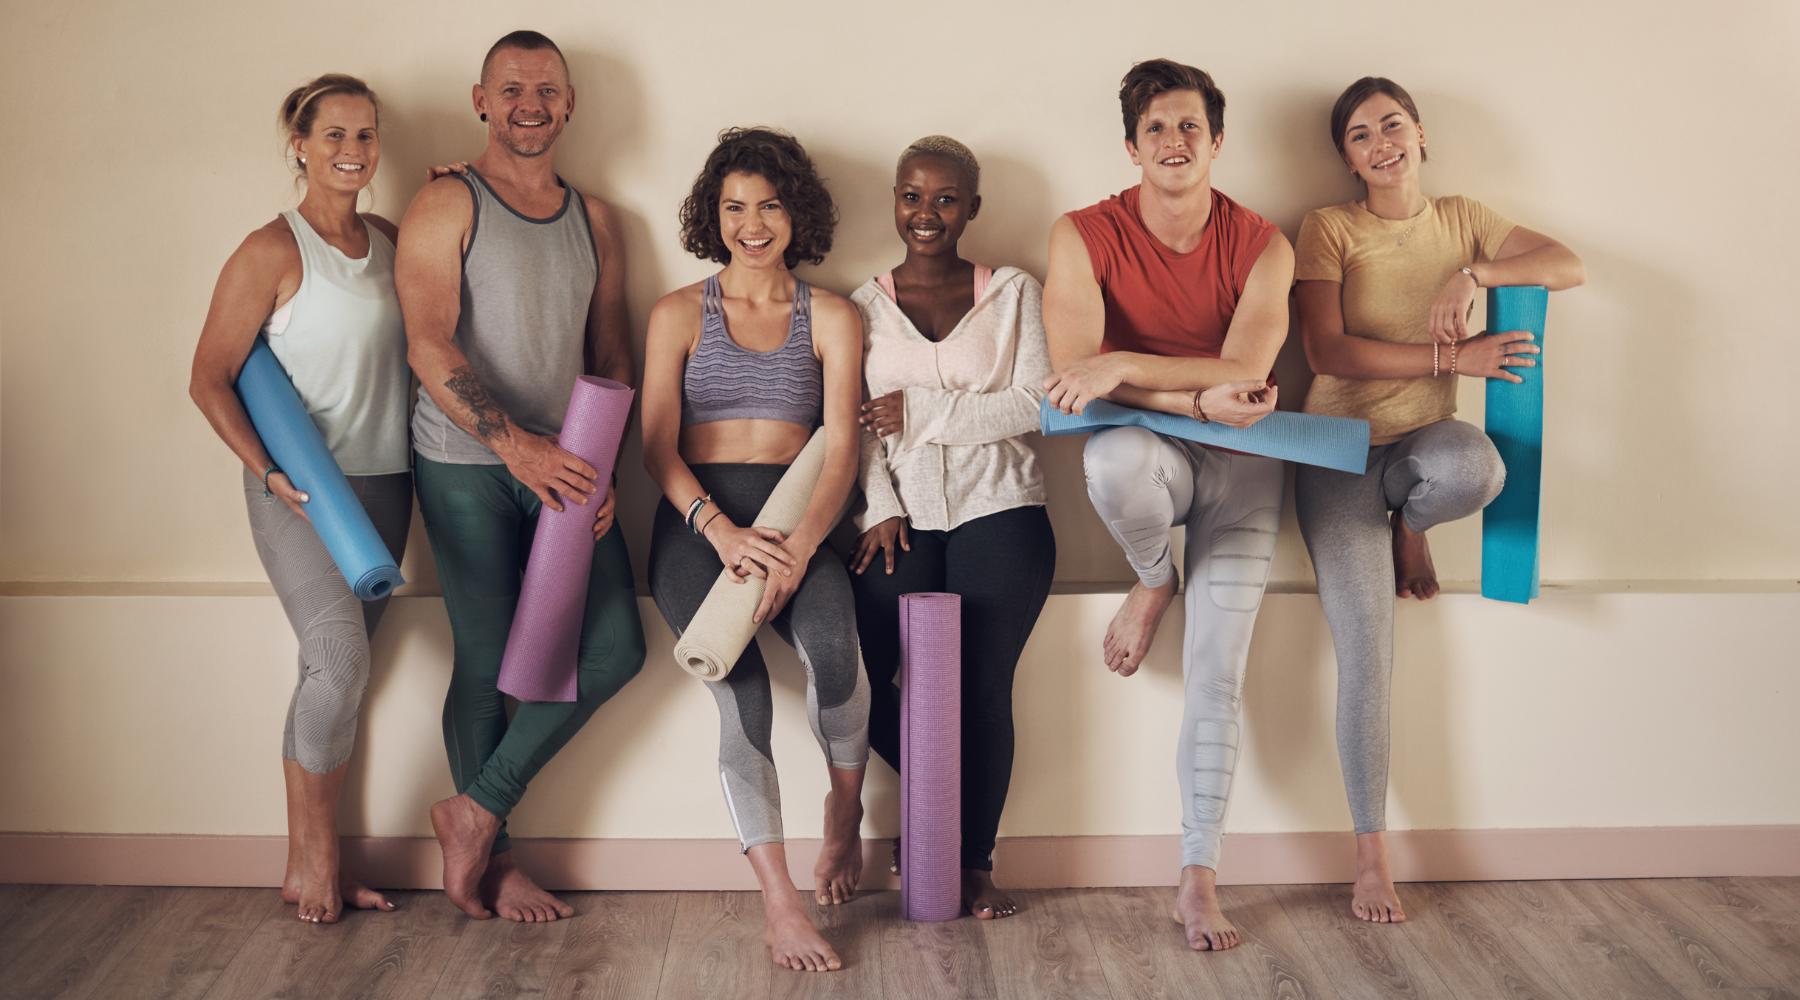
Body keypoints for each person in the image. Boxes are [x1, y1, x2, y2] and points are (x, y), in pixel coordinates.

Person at [1293, 76, 1585, 924]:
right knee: (1368, 655)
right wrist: (1453, 361)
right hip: (1336, 456)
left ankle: (1411, 529)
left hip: (1421, 449)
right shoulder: (1330, 228)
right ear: (1347, 159)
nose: (1380, 143)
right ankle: (1371, 853)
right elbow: (1326, 348)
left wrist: (1473, 272)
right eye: (1359, 136)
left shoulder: (1462, 218)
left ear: (1421, 135)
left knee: (1480, 470)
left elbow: (1567, 264)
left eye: (1392, 126)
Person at [1041, 58, 1294, 952]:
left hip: (1248, 467)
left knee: (1217, 674)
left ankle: (1197, 879)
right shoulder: (1080, 234)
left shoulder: (1265, 243)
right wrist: (1184, 398)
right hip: (1154, 451)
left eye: (1190, 127)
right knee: (1111, 461)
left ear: (1217, 141)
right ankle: (1154, 576)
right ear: (1130, 146)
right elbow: (1079, 381)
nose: (1175, 142)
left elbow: (1247, 373)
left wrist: (1126, 364)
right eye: (1156, 129)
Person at [394, 30, 646, 924]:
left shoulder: (599, 218)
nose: (528, 103)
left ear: (570, 104)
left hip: (571, 466)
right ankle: (494, 865)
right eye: (510, 89)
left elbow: (611, 348)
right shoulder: (446, 201)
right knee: (488, 663)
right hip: (466, 462)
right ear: (480, 101)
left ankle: (474, 807)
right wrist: (515, 445)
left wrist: (603, 466)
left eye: (546, 88)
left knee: (617, 648)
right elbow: (429, 341)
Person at [641, 127, 868, 973]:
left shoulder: (832, 316)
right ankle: (780, 905)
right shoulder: (677, 313)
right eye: (734, 207)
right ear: (714, 216)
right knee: (742, 696)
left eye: (769, 204)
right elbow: (655, 446)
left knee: (837, 656)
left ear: (795, 211)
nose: (752, 223)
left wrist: (801, 547)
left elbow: (841, 447)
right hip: (700, 525)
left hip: (796, 522)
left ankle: (843, 815)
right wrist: (720, 530)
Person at [188, 73, 410, 924]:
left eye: (366, 135)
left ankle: (312, 860)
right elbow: (209, 379)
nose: (353, 152)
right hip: (301, 490)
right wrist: (270, 471)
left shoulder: (391, 240)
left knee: (334, 676)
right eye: (335, 137)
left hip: (388, 486)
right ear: (300, 145)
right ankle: (318, 861)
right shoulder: (269, 250)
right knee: (339, 662)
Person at [848, 135, 1055, 919]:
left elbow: (1035, 405)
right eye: (911, 196)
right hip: (900, 518)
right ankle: (936, 809)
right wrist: (880, 506)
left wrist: (925, 413)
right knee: (859, 683)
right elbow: (861, 426)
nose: (925, 213)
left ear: (972, 206)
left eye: (943, 198)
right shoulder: (862, 308)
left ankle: (971, 861)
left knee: (981, 688)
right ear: (894, 200)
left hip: (1001, 510)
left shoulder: (1013, 294)